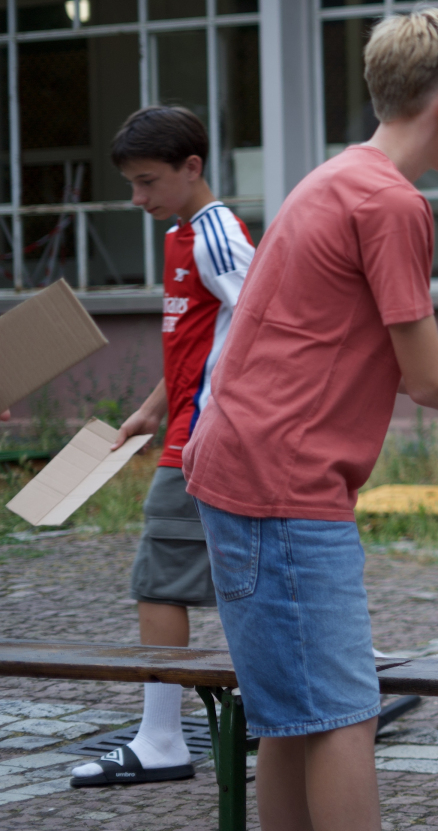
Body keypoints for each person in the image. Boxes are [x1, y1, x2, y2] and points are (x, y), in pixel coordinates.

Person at [183, 9, 438, 831]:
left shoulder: (332, 178)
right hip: (284, 483)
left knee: (291, 719)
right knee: (341, 716)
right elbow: (426, 379)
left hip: (241, 467)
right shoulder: (392, 203)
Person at [70, 107, 256, 788]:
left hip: (204, 444)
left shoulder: (216, 237)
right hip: (191, 433)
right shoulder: (183, 233)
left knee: (158, 583)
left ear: (192, 167)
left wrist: (219, 424)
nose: (135, 197)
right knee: (244, 583)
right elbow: (202, 345)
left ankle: (160, 740)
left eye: (147, 182)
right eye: (132, 183)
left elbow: (269, 324)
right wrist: (153, 409)